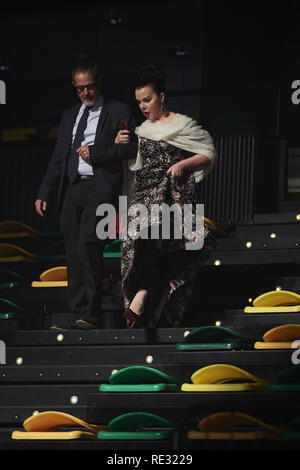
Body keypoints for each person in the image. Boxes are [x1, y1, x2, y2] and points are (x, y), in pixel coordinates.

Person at [35, 58, 138, 329]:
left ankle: (90, 313)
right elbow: (58, 158)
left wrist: (98, 153)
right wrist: (45, 191)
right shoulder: (70, 115)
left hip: (100, 186)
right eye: (80, 88)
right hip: (73, 186)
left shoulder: (118, 110)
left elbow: (131, 150)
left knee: (88, 243)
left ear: (98, 83)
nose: (86, 93)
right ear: (74, 87)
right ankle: (78, 312)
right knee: (72, 250)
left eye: (90, 87)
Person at [115, 64, 218, 328]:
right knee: (148, 249)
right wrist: (121, 147)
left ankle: (141, 303)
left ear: (162, 96)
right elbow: (135, 169)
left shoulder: (183, 125)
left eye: (147, 100)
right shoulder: (142, 131)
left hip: (175, 200)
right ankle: (147, 312)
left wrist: (183, 164)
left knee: (169, 250)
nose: (143, 107)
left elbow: (208, 153)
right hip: (145, 198)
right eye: (139, 102)